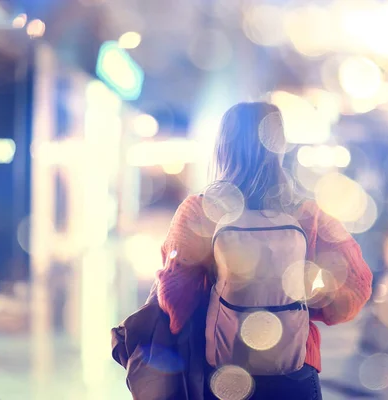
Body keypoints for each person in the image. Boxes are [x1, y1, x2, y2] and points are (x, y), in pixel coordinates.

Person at [156, 102, 373, 400]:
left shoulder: (198, 212)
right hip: (295, 369)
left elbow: (174, 301)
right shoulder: (308, 214)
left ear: (222, 148)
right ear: (278, 147)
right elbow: (357, 287)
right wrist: (302, 304)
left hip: (222, 372)